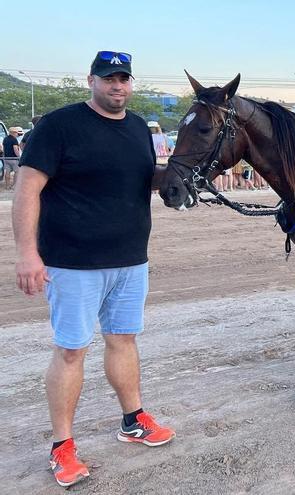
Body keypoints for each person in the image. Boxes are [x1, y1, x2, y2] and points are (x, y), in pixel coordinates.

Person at [12, 50, 175, 488]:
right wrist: (28, 253)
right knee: (71, 350)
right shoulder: (59, 125)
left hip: (130, 258)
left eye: (123, 79)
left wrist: (176, 177)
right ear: (91, 80)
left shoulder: (139, 127)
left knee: (123, 340)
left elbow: (141, 178)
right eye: (108, 79)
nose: (117, 86)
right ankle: (62, 446)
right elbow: (27, 189)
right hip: (72, 262)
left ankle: (133, 420)